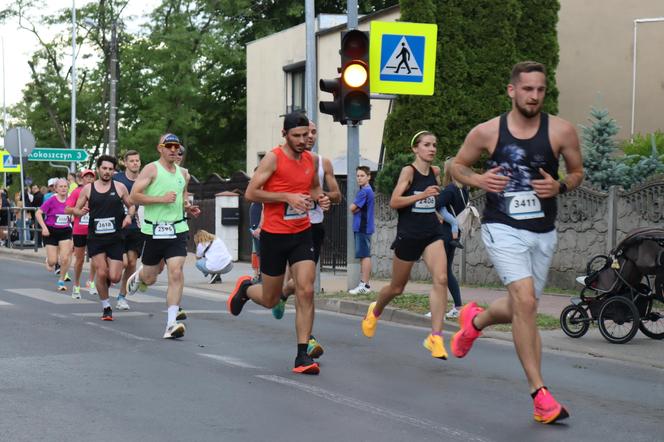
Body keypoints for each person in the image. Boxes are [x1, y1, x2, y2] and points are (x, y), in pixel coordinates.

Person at [450, 61, 584, 424]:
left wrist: (560, 186)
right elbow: (455, 167)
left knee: (521, 306)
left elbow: (576, 171)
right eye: (527, 89)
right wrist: (479, 181)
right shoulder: (488, 132)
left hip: (543, 230)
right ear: (512, 91)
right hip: (502, 226)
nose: (534, 96)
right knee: (526, 302)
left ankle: (474, 321)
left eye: (540, 90)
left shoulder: (561, 131)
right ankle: (540, 395)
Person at [226, 112, 330, 374]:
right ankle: (247, 289)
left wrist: (323, 198)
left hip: (302, 232)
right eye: (296, 136)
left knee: (306, 289)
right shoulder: (274, 158)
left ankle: (302, 356)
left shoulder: (311, 160)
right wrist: (286, 197)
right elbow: (251, 193)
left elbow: (315, 189)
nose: (303, 140)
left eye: (306, 135)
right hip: (274, 235)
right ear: (284, 135)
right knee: (271, 299)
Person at [361, 131, 450, 360]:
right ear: (415, 149)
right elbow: (394, 201)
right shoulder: (408, 171)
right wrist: (421, 197)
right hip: (409, 235)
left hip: (431, 233)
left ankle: (436, 337)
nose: (432, 149)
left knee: (441, 279)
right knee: (397, 288)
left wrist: (437, 213)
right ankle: (375, 311)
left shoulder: (436, 172)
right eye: (427, 145)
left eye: (434, 145)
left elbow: (432, 198)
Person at [271, 120, 342, 361]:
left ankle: (283, 295)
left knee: (304, 286)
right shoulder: (281, 158)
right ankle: (307, 341)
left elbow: (337, 196)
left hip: (314, 227)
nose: (308, 137)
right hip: (288, 228)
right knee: (304, 287)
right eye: (304, 133)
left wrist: (324, 198)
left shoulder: (321, 162)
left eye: (312, 132)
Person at [126, 133, 201, 339]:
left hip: (177, 230)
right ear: (160, 148)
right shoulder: (151, 169)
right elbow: (134, 196)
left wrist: (188, 208)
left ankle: (171, 324)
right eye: (169, 146)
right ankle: (140, 275)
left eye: (176, 146)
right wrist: (161, 199)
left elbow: (182, 198)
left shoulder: (183, 174)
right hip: (154, 231)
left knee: (176, 272)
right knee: (151, 276)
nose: (173, 150)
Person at [73, 156, 134, 320]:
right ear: (98, 169)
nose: (107, 172)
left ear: (113, 171)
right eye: (104, 168)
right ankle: (106, 307)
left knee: (114, 277)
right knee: (101, 272)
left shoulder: (120, 187)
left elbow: (131, 205)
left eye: (110, 169)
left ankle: (104, 284)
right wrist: (81, 211)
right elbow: (76, 210)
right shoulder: (88, 189)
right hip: (96, 238)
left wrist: (129, 217)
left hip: (115, 238)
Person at [439, 158, 470, 319]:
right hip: (455, 234)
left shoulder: (449, 189)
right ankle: (457, 306)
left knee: (441, 272)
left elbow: (436, 205)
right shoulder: (464, 189)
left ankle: (440, 308)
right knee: (446, 270)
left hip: (444, 234)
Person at [113, 150, 144, 311]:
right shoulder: (117, 179)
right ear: (125, 163)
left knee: (132, 262)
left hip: (136, 227)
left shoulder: (145, 180)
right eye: (132, 161)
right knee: (121, 264)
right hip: (117, 227)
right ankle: (109, 277)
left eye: (137, 161)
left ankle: (121, 297)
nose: (135, 163)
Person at [35, 179, 73, 291]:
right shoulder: (51, 200)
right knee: (53, 261)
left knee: (65, 258)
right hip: (51, 231)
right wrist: (44, 227)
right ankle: (49, 260)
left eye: (65, 186)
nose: (63, 189)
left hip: (65, 230)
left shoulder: (71, 200)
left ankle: (61, 280)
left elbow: (75, 212)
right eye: (60, 186)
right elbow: (38, 213)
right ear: (56, 188)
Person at [65, 169, 97, 299]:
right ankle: (76, 285)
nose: (89, 179)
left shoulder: (98, 191)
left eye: (91, 177)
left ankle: (91, 282)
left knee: (96, 258)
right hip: (80, 230)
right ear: (82, 179)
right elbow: (67, 209)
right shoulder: (77, 192)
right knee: (79, 259)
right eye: (86, 177)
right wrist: (78, 211)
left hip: (95, 229)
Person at [348, 165, 375, 294]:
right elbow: (356, 208)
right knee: (363, 255)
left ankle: (365, 285)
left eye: (362, 176)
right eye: (358, 176)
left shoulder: (364, 191)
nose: (359, 178)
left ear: (369, 177)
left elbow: (352, 208)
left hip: (362, 227)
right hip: (363, 227)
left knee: (365, 255)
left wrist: (355, 208)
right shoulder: (367, 190)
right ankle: (364, 284)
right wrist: (356, 208)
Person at [249, 200, 262, 282]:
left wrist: (260, 227)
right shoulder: (254, 201)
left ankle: (260, 275)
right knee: (257, 253)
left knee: (261, 252)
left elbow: (264, 211)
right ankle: (257, 274)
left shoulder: (261, 201)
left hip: (258, 229)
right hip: (254, 229)